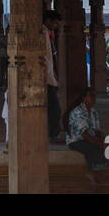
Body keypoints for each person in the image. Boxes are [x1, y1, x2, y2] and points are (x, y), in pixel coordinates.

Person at [65, 88, 109, 171]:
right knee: (94, 148)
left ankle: (103, 167)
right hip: (76, 141)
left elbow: (97, 130)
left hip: (89, 138)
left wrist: (104, 139)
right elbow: (84, 135)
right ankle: (94, 169)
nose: (94, 98)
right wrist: (100, 144)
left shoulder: (93, 111)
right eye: (91, 96)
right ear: (84, 98)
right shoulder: (78, 112)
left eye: (95, 96)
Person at [44, 10, 62, 140]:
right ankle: (52, 134)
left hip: (49, 76)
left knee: (52, 108)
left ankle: (50, 132)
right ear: (48, 21)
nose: (56, 26)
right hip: (45, 77)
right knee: (55, 109)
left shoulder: (48, 34)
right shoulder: (42, 33)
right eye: (55, 23)